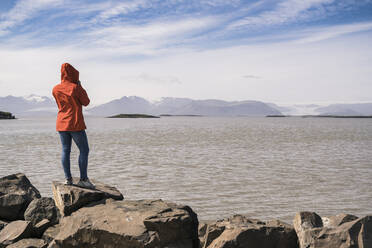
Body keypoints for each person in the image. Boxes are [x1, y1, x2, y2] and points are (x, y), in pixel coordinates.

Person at [52, 63, 95, 189]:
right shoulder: (75, 88)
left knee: (65, 150)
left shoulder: (55, 89)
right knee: (84, 150)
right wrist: (80, 86)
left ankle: (68, 179)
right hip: (75, 123)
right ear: (74, 74)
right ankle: (83, 179)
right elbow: (86, 102)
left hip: (61, 123)